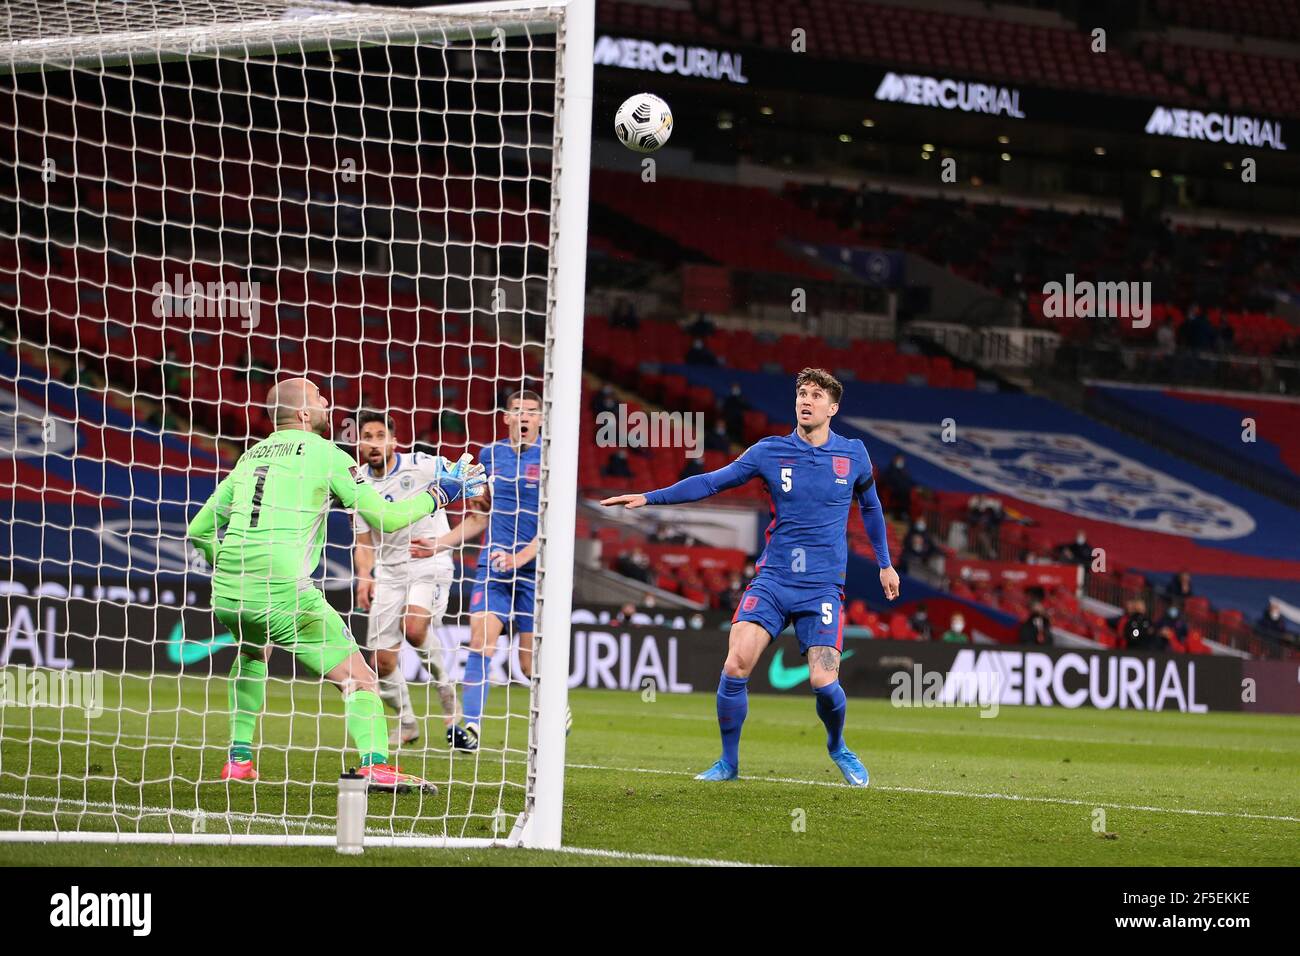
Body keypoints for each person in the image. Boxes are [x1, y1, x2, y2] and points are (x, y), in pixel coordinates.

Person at [601, 367, 900, 787]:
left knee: (823, 680)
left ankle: (837, 746)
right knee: (736, 663)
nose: (806, 400)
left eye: (816, 395)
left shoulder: (853, 455)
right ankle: (728, 762)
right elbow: (711, 482)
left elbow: (870, 507)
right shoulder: (769, 451)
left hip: (822, 587)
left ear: (833, 407)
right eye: (801, 393)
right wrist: (651, 496)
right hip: (774, 581)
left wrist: (884, 562)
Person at [186, 378, 485, 790]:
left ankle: (238, 759)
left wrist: (231, 566)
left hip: (229, 590)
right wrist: (440, 494)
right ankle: (375, 765)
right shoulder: (327, 455)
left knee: (254, 655)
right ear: (306, 414)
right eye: (319, 399)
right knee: (359, 678)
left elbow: (199, 529)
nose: (328, 403)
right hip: (283, 588)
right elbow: (387, 518)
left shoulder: (249, 457)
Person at [432, 391, 570, 749]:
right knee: (480, 644)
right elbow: (479, 516)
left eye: (532, 412)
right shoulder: (489, 456)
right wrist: (438, 543)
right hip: (493, 569)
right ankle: (471, 728)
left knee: (527, 666)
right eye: (517, 411)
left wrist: (520, 558)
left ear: (541, 419)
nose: (524, 417)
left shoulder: (555, 457)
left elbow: (556, 524)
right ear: (506, 417)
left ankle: (559, 709)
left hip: (536, 575)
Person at [352, 410, 463, 749]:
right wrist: (364, 577)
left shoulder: (421, 464)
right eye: (366, 436)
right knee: (382, 662)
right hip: (389, 572)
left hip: (429, 562)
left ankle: (446, 691)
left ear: (393, 441)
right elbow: (363, 539)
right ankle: (407, 723)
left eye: (379, 435)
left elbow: (460, 475)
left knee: (414, 628)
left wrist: (469, 483)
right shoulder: (357, 483)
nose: (373, 443)